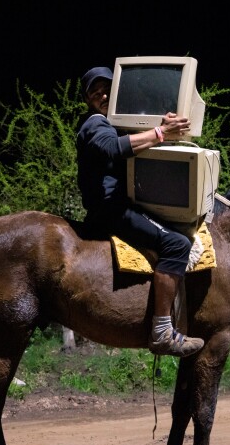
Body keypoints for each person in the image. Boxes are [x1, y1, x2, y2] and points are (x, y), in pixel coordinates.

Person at [76, 66, 204, 358]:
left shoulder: (114, 122)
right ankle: (161, 331)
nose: (103, 95)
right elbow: (112, 147)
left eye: (107, 89)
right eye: (95, 92)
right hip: (111, 210)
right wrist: (161, 132)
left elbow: (138, 136)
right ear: (87, 100)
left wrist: (163, 124)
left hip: (116, 207)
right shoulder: (94, 123)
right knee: (177, 243)